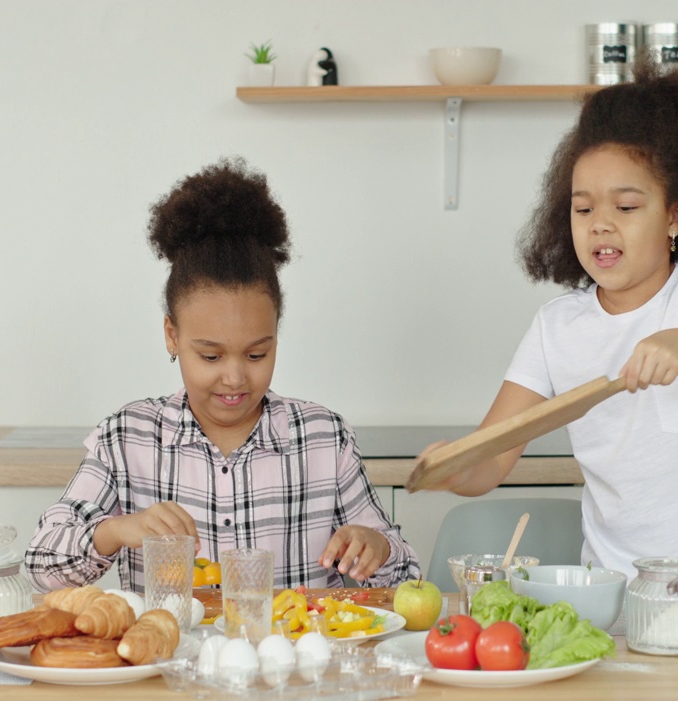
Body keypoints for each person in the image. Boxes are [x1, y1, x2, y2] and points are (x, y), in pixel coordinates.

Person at [417, 56, 678, 591]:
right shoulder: (557, 327)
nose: (600, 223)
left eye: (626, 207)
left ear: (674, 216)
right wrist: (453, 468)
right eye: (583, 210)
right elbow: (494, 455)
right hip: (621, 597)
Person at [26, 158, 419, 593]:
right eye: (210, 357)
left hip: (291, 660)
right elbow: (44, 564)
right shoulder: (128, 437)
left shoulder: (323, 438)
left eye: (256, 354)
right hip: (168, 659)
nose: (235, 378)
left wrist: (377, 547)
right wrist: (116, 530)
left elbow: (407, 580)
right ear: (172, 336)